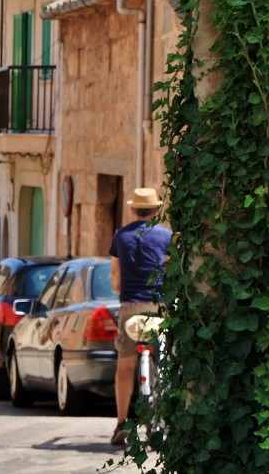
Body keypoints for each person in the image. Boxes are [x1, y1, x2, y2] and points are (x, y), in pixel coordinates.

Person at [109, 187, 172, 446]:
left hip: (131, 305)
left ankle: (122, 422)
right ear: (157, 210)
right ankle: (168, 414)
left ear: (133, 209)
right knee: (167, 357)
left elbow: (115, 276)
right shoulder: (166, 235)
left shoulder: (121, 236)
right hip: (160, 305)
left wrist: (119, 288)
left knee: (125, 362)